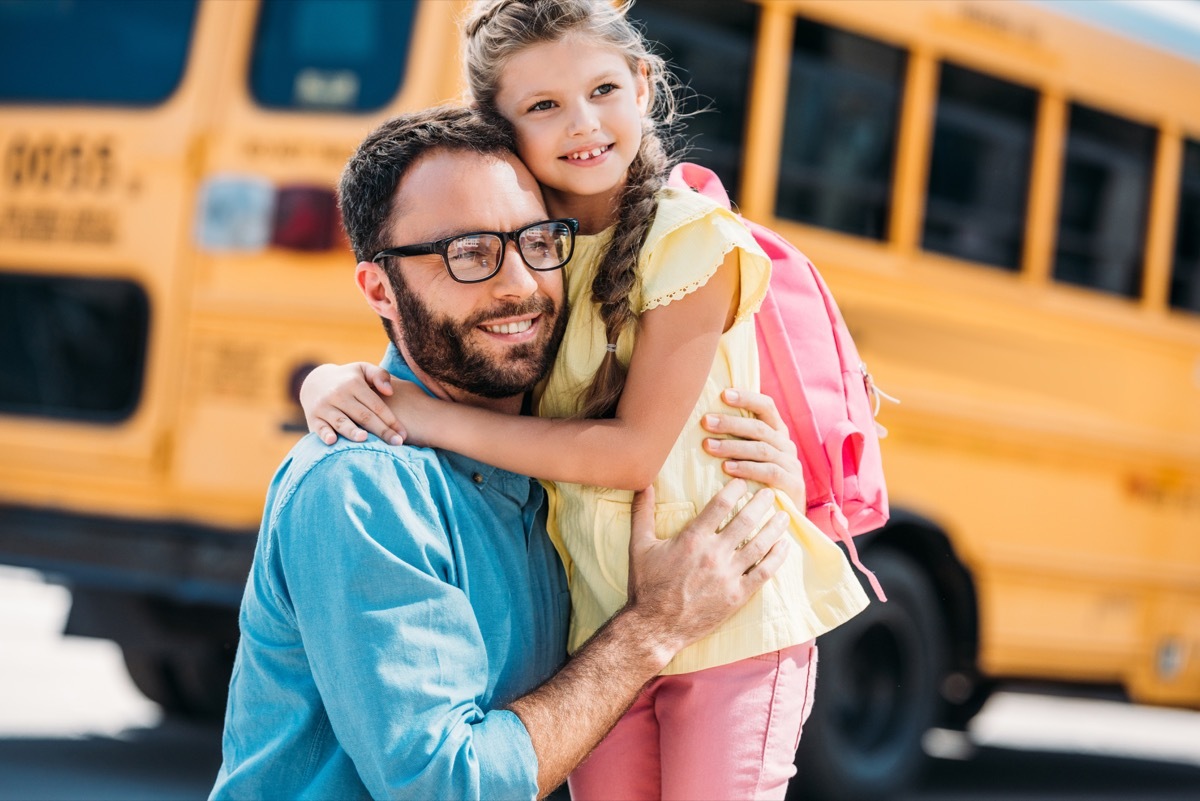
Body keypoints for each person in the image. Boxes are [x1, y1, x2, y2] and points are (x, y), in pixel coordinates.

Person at [300, 1, 872, 798]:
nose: (583, 123)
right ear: (500, 128)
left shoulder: (690, 238)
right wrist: (328, 382)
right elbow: (450, 342)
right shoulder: (539, 248)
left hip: (729, 612)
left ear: (643, 85)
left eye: (603, 88)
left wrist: (422, 417)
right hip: (598, 632)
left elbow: (632, 453)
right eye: (543, 106)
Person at [210, 105, 804, 801]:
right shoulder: (364, 487)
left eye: (539, 241)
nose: (519, 283)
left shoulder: (569, 457)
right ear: (380, 289)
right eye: (468, 253)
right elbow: (451, 787)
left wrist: (769, 473)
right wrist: (652, 629)